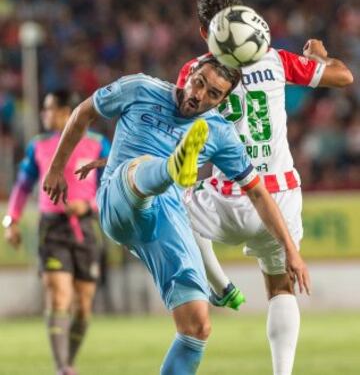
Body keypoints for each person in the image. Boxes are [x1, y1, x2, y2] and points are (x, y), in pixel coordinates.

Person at [42, 56, 310, 375]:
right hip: (120, 200)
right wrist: (58, 168)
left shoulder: (220, 132)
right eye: (199, 82)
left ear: (223, 101)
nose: (199, 95)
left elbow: (258, 193)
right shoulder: (140, 87)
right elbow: (83, 112)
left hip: (166, 217)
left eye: (213, 94)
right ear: (189, 73)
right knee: (137, 168)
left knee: (197, 325)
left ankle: (173, 170)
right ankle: (172, 166)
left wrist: (291, 251)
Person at [176, 0, 354, 375]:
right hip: (281, 195)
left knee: (172, 201)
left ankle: (218, 284)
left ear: (205, 32)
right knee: (279, 288)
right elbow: (344, 77)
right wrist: (320, 58)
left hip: (228, 196)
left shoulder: (195, 72)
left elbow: (179, 126)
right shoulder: (275, 60)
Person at [2, 90, 111, 375]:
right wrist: (10, 221)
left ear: (67, 112)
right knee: (59, 296)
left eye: (49, 110)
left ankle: (68, 361)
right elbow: (23, 186)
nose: (45, 115)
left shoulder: (98, 145)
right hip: (51, 228)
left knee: (84, 306)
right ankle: (62, 368)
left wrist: (87, 205)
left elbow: (112, 187)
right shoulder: (38, 146)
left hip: (86, 228)